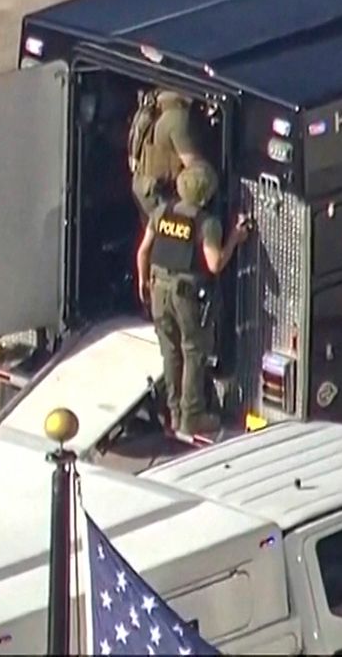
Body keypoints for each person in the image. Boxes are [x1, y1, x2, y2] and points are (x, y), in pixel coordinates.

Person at [134, 162, 249, 437]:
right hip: (187, 296)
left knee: (170, 352)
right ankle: (192, 416)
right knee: (193, 352)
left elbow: (143, 252)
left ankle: (173, 414)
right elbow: (215, 264)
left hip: (158, 288)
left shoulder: (161, 211)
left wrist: (143, 282)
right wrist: (236, 237)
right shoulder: (207, 223)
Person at [128, 89, 208, 219]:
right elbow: (196, 170)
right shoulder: (177, 118)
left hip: (143, 187)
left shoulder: (154, 102)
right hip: (160, 195)